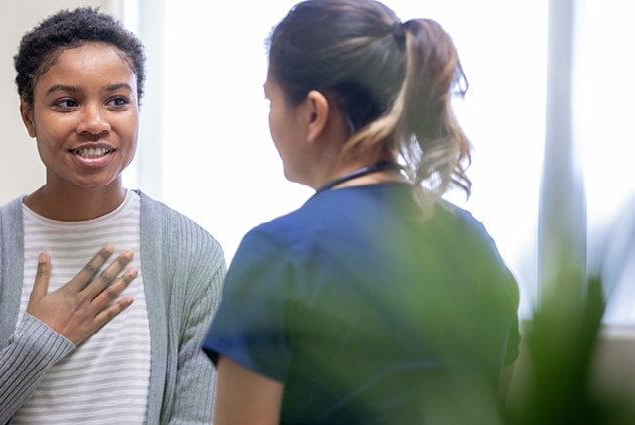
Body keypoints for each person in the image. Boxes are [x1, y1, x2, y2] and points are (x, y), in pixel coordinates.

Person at [0, 7, 226, 425]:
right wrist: (34, 346)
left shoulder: (192, 256)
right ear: (29, 116)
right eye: (67, 102)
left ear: (138, 108)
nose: (94, 123)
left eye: (117, 101)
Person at [201, 0, 521, 423]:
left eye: (271, 100)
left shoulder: (278, 253)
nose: (271, 119)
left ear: (314, 113)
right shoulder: (475, 242)